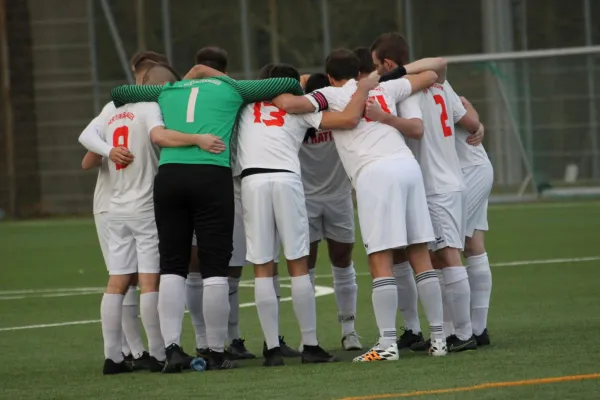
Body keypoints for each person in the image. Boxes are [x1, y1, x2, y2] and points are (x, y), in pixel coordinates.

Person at [110, 67, 305, 372]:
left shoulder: (168, 89)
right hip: (211, 175)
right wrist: (225, 79)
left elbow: (120, 93)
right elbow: (287, 82)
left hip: (170, 175)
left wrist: (181, 82)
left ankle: (172, 349)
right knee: (215, 267)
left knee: (172, 266)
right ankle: (215, 351)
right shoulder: (233, 88)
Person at [272, 48, 440, 362]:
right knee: (419, 252)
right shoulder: (383, 87)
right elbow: (432, 73)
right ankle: (440, 338)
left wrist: (280, 88)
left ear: (331, 75)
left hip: (375, 173)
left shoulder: (328, 94)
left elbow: (289, 104)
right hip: (407, 166)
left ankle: (387, 344)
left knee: (380, 258)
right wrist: (389, 74)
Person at [237, 63, 376, 366]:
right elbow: (350, 119)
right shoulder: (298, 109)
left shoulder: (243, 107)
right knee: (298, 263)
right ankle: (310, 345)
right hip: (287, 179)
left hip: (252, 181)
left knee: (263, 265)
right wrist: (362, 89)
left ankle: (272, 349)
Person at [370, 32, 480, 353]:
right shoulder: (441, 84)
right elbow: (466, 120)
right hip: (445, 180)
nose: (377, 71)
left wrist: (385, 116)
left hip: (435, 184)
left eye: (378, 65)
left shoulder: (407, 91)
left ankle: (464, 334)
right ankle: (447, 332)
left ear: (389, 64)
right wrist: (479, 126)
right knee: (435, 257)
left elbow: (417, 128)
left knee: (447, 254)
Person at [78, 51, 169, 368]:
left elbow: (85, 138)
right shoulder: (150, 107)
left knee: (117, 281)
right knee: (148, 282)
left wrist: (110, 150)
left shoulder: (111, 108)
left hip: (114, 207)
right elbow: (159, 137)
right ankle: (157, 354)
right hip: (143, 207)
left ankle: (112, 357)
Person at [184, 46, 256, 361]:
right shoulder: (234, 93)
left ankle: (204, 340)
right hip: (229, 183)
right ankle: (231, 338)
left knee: (195, 267)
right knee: (229, 268)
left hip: (186, 179)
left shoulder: (176, 95)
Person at [298, 72, 362, 351]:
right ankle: (308, 337)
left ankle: (349, 330)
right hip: (304, 199)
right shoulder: (297, 118)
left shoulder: (341, 114)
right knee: (305, 266)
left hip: (338, 196)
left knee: (342, 260)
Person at [450, 94, 493, 346]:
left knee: (447, 248)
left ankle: (456, 332)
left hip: (469, 172)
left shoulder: (426, 85)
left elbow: (465, 107)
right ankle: (478, 330)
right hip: (466, 170)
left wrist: (476, 125)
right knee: (473, 245)